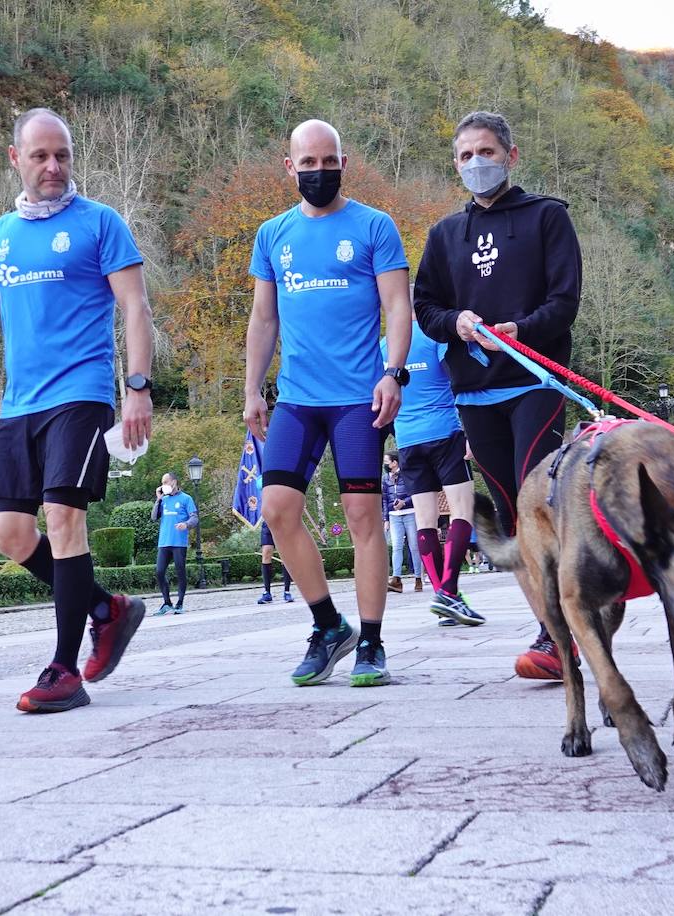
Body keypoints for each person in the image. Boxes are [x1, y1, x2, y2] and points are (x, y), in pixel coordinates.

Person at [0, 107, 152, 714]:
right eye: (40, 156)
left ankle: (64, 670)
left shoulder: (101, 224)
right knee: (9, 534)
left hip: (81, 395)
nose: (53, 166)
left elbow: (135, 307)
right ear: (17, 159)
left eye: (61, 154)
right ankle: (103, 608)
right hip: (19, 404)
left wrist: (135, 387)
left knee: (64, 518)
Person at [412, 110, 583, 680]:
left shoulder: (547, 217)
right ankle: (555, 636)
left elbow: (564, 302)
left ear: (510, 155)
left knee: (539, 504)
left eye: (485, 152)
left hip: (536, 380)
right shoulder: (443, 235)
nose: (475, 164)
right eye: (464, 156)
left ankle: (561, 630)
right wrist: (455, 320)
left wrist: (522, 330)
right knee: (510, 516)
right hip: (475, 392)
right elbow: (426, 307)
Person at [244, 118, 412, 688]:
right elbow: (264, 318)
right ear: (289, 168)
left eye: (328, 161)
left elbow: (397, 306)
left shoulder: (373, 226)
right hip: (296, 399)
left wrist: (394, 372)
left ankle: (371, 641)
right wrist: (252, 388)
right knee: (277, 509)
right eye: (307, 163)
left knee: (364, 516)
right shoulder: (273, 235)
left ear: (344, 162)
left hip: (358, 399)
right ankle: (326, 625)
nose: (318, 172)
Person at [382, 324, 485, 627]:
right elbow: (461, 379)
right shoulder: (435, 337)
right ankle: (449, 592)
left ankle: (442, 595)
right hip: (444, 432)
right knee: (461, 512)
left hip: (408, 440)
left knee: (425, 521)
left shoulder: (384, 347)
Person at [151, 472, 198, 616]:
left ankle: (180, 603)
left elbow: (195, 518)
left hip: (179, 542)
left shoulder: (186, 498)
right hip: (164, 542)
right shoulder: (164, 500)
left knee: (180, 571)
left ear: (174, 482)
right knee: (159, 572)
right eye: (162, 483)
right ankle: (167, 602)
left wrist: (186, 524)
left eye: (166, 482)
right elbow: (154, 517)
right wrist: (158, 500)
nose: (164, 485)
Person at [382, 452, 422, 593]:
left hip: (410, 513)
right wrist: (386, 519)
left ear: (395, 462)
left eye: (387, 461)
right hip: (394, 516)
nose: (385, 464)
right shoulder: (385, 478)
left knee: (414, 547)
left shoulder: (407, 474)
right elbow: (385, 499)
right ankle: (397, 579)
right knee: (397, 547)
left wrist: (404, 503)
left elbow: (414, 493)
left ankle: (418, 578)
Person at [257, 521, 294, 604]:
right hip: (267, 523)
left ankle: (287, 592)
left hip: (283, 522)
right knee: (266, 554)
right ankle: (267, 593)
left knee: (285, 555)